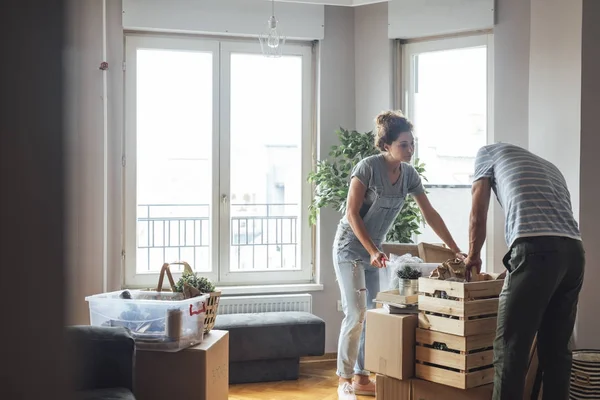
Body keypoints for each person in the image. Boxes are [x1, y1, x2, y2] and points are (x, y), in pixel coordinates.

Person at [333, 110, 464, 400]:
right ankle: (343, 380)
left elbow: (430, 214)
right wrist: (372, 250)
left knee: (370, 313)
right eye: (404, 144)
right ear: (386, 145)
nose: (410, 149)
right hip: (349, 249)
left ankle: (361, 377)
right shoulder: (367, 168)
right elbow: (351, 215)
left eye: (412, 143)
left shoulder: (409, 176)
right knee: (355, 313)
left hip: (373, 251)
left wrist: (455, 248)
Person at [464, 142, 585, 400]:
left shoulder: (486, 153)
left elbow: (478, 212)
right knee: (557, 353)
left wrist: (473, 255)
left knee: (510, 350)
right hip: (574, 253)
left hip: (535, 249)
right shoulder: (549, 168)